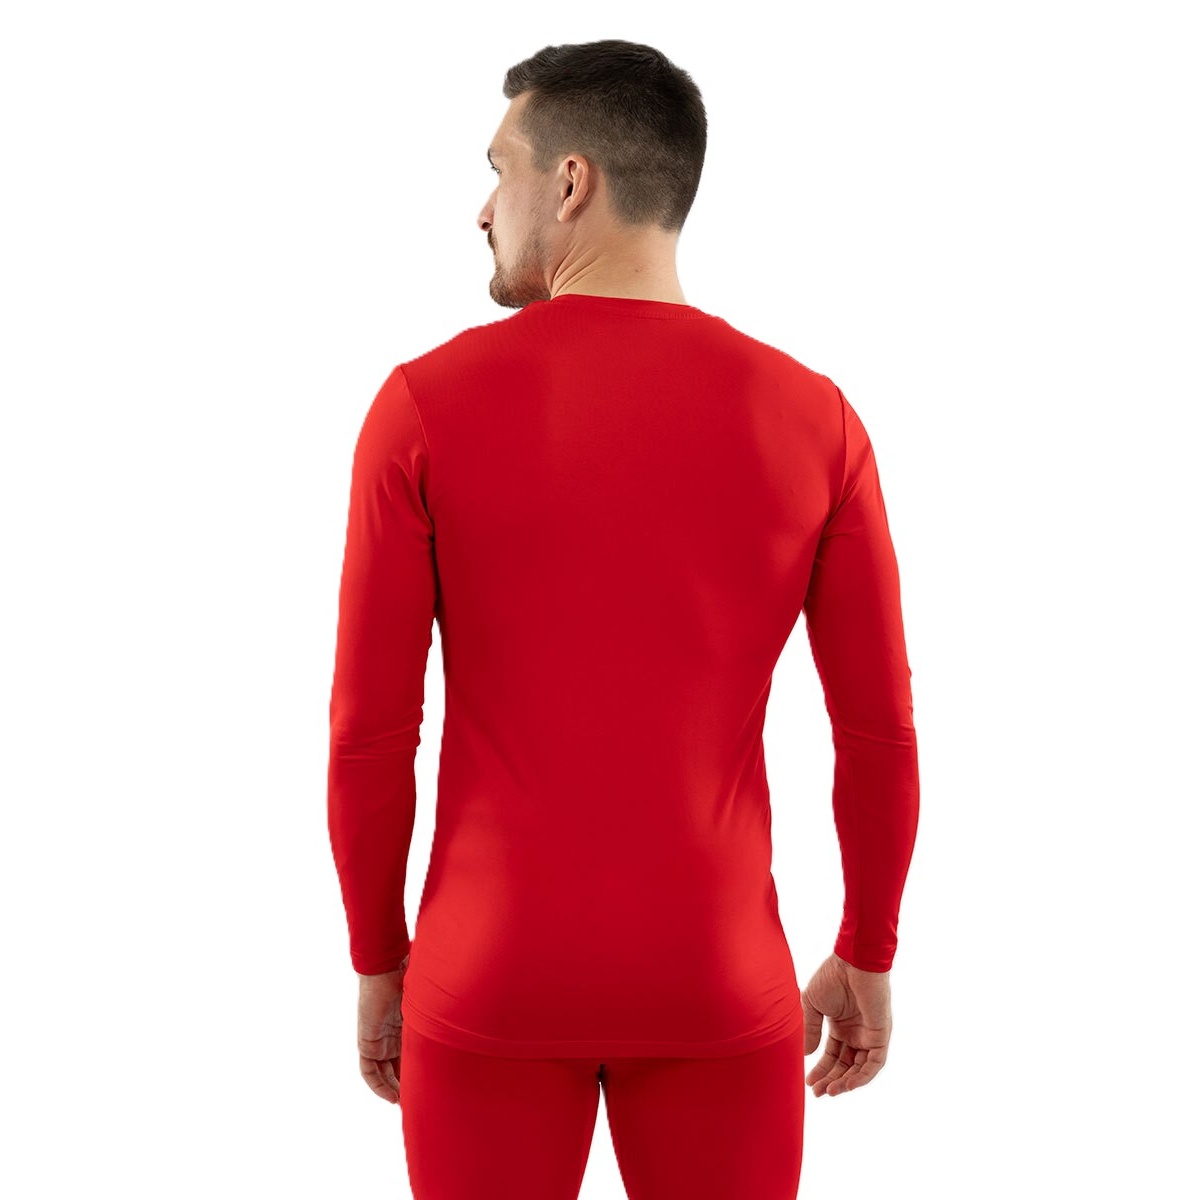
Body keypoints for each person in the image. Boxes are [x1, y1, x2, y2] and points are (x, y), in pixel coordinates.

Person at [328, 38, 919, 1200]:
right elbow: (878, 731)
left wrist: (380, 961)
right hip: (716, 977)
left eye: (498, 170)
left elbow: (368, 733)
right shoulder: (815, 420)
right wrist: (867, 948)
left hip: (489, 975)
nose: (481, 209)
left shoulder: (422, 408)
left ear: (570, 181)